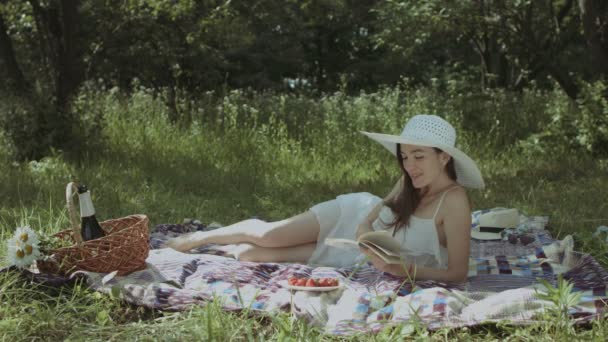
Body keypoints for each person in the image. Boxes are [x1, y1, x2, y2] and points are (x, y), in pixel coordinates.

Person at [167, 114, 484, 283]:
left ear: (444, 158)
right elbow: (375, 213)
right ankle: (201, 237)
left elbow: (456, 273)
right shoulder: (411, 180)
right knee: (270, 236)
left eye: (419, 157)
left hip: (358, 256)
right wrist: (363, 230)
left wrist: (402, 270)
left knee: (252, 255)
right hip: (350, 217)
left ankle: (226, 247)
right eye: (404, 157)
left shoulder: (454, 201)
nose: (409, 166)